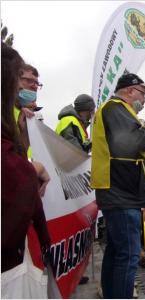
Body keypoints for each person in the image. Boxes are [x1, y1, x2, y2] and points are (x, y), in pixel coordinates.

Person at [91, 73, 145, 299]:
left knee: (116, 251)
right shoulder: (116, 108)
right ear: (130, 91)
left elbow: (125, 150)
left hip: (119, 191)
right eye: (143, 94)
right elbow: (128, 144)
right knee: (130, 254)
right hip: (122, 192)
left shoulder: (116, 111)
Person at [1, 42, 50, 273]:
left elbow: (18, 154)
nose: (33, 87)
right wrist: (32, 170)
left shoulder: (22, 114)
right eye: (27, 81)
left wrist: (23, 133)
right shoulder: (7, 108)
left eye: (36, 83)